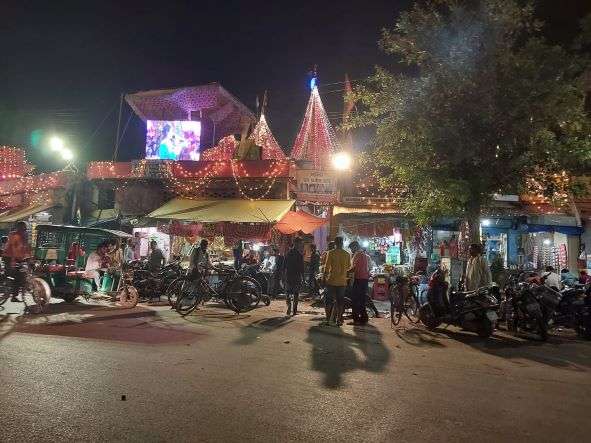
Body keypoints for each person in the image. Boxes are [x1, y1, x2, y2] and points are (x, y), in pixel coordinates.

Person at [323, 236, 351, 326]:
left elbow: (326, 267)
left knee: (328, 301)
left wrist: (324, 277)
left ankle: (328, 319)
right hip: (342, 282)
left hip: (331, 281)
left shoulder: (330, 253)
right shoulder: (347, 254)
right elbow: (348, 267)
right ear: (342, 243)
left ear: (335, 243)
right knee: (340, 302)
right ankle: (339, 320)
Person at [3, 221, 32, 302]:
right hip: (9, 257)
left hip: (18, 258)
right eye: (23, 229)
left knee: (22, 274)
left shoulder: (24, 236)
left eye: (25, 229)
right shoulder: (15, 235)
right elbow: (14, 249)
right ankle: (14, 296)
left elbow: (26, 248)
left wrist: (29, 258)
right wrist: (14, 261)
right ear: (19, 228)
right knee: (17, 276)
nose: (24, 231)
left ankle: (15, 293)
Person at [349, 241, 370, 325]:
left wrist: (345, 272)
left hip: (359, 279)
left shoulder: (358, 254)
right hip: (364, 279)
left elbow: (354, 268)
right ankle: (364, 318)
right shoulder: (363, 254)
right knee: (361, 299)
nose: (351, 250)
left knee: (355, 300)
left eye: (351, 248)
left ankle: (356, 319)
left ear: (355, 247)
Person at [284, 238, 305, 316]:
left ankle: (290, 307)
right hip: (296, 276)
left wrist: (283, 276)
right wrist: (302, 278)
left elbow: (284, 266)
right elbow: (302, 268)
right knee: (295, 294)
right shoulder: (299, 255)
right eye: (299, 243)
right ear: (296, 243)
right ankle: (294, 310)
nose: (300, 245)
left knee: (288, 293)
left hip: (290, 276)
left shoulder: (288, 253)